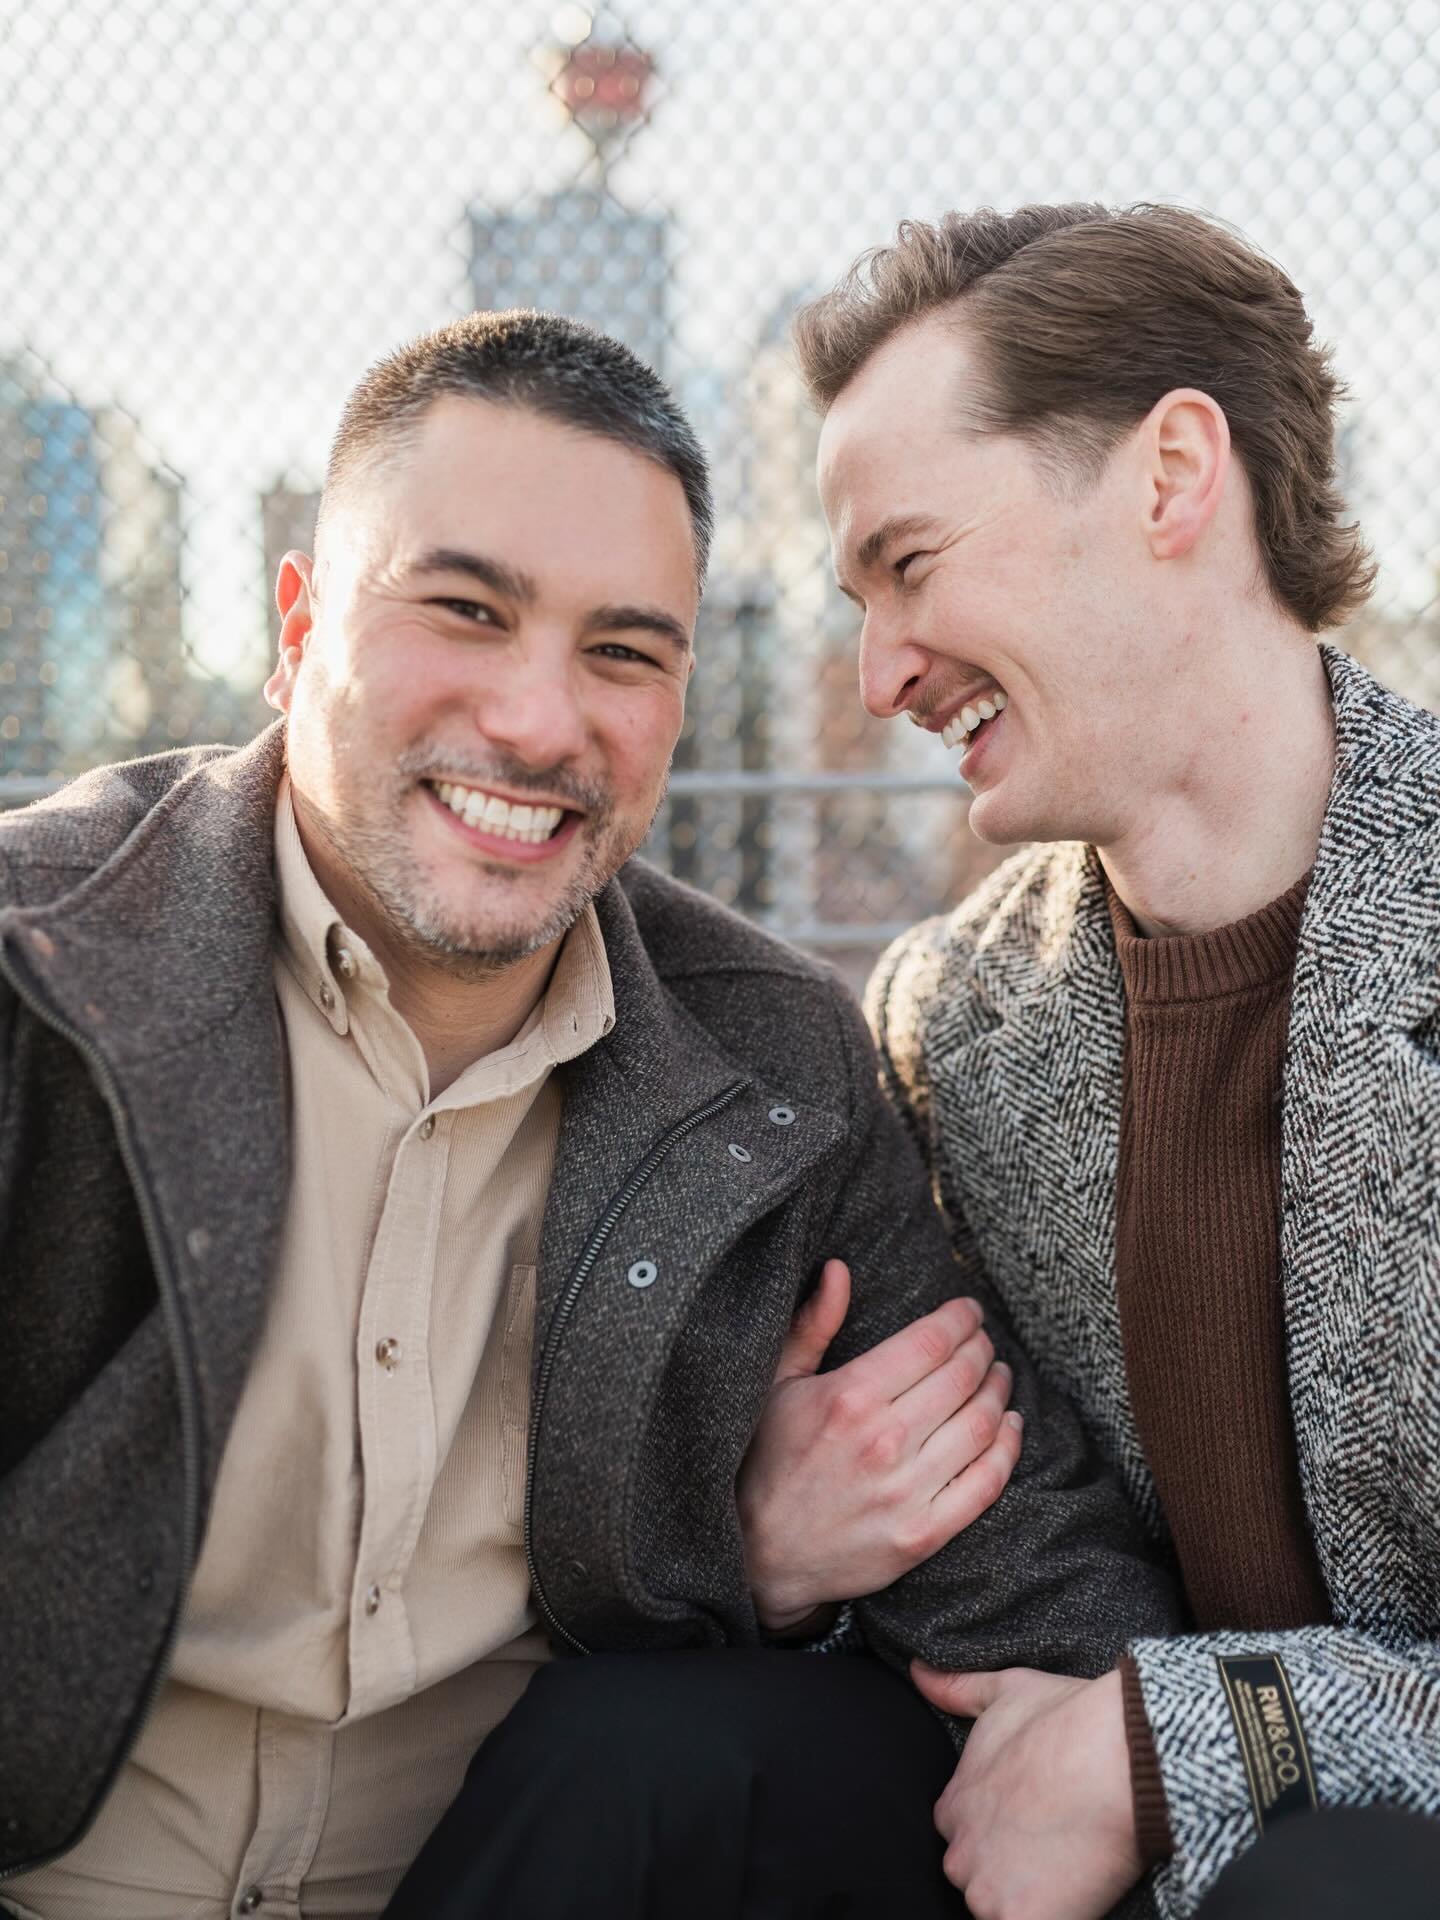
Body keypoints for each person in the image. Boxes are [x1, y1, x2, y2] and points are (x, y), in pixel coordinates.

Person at [0, 310, 1176, 1919]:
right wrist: (715, 1544)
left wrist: (1153, 1749)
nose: (543, 725)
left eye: (623, 652)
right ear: (300, 624)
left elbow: (1033, 1576)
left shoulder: (772, 1060)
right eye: (466, 611)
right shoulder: (45, 971)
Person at [794, 201, 1440, 1919]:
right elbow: (987, 1540)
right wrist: (778, 1536)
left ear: (1169, 478)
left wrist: (1191, 1744)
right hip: (1073, 1804)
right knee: (640, 1759)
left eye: (911, 566)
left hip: (1359, 1851)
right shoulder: (947, 1015)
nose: (878, 677)